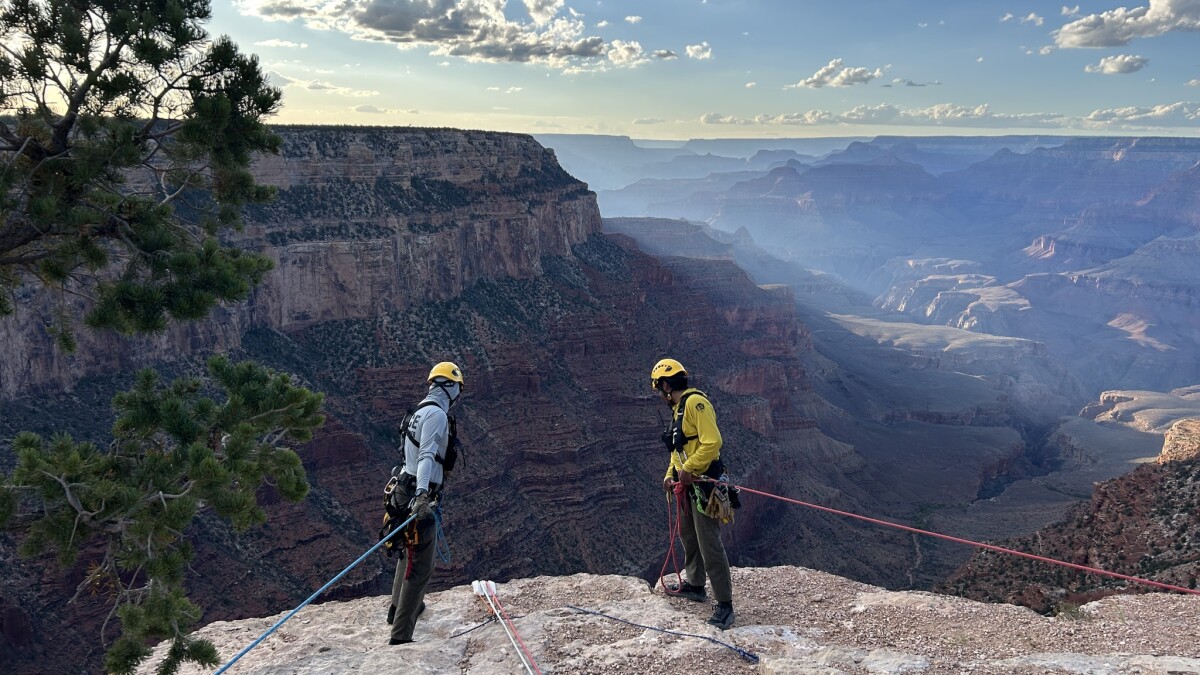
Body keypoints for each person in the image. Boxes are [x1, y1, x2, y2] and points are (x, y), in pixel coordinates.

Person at [651, 358, 736, 630]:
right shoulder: (678, 410)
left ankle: (725, 605)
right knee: (688, 536)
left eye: (658, 389)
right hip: (687, 486)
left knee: (708, 542)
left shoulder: (695, 404)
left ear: (666, 385)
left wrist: (689, 469)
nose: (659, 395)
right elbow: (678, 452)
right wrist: (671, 475)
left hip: (705, 484)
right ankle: (696, 584)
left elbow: (713, 442)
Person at [387, 361, 465, 645]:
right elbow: (427, 456)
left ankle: (399, 608)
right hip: (418, 494)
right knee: (421, 565)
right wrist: (422, 496)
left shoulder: (417, 411)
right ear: (451, 386)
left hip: (402, 487)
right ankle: (401, 634)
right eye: (458, 388)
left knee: (406, 553)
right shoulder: (437, 416)